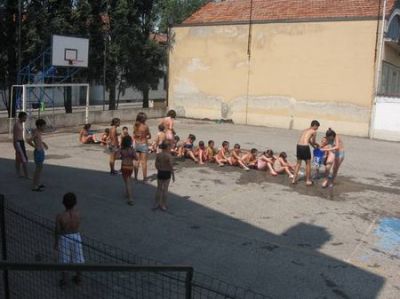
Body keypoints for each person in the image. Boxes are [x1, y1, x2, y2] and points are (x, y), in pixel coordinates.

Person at [55, 192, 85, 288]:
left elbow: (57, 231)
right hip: (76, 236)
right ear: (75, 203)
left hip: (65, 237)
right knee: (78, 258)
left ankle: (64, 281)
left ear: (63, 203)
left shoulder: (60, 216)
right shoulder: (78, 214)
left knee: (64, 259)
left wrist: (55, 243)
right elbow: (79, 226)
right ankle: (78, 278)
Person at [292, 120, 320, 185]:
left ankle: (293, 179)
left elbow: (308, 140)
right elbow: (313, 141)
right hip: (305, 147)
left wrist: (313, 147)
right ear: (314, 125)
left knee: (298, 163)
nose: (317, 129)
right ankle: (308, 180)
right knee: (308, 163)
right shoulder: (314, 131)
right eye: (317, 127)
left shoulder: (305, 130)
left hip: (298, 146)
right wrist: (318, 145)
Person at [27, 119, 48, 191]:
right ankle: (34, 186)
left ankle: (37, 183)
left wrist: (43, 143)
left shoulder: (38, 132)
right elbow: (28, 140)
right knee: (38, 170)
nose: (44, 128)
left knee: (40, 169)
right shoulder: (36, 132)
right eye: (43, 126)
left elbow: (38, 140)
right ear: (39, 126)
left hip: (41, 151)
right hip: (38, 152)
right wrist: (34, 146)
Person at [154, 142, 175, 211]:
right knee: (165, 189)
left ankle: (156, 203)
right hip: (167, 173)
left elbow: (156, 164)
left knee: (159, 189)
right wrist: (173, 175)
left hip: (160, 172)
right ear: (167, 147)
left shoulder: (159, 155)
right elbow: (171, 166)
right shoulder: (169, 156)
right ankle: (163, 205)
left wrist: (159, 168)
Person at [117, 136, 137, 205]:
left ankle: (130, 198)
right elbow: (136, 158)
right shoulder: (132, 149)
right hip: (130, 166)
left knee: (127, 182)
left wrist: (122, 157)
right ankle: (127, 193)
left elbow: (117, 156)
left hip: (124, 166)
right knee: (128, 181)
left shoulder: (122, 149)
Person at [133, 112, 151, 182]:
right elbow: (149, 136)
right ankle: (145, 179)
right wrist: (146, 136)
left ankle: (135, 178)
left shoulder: (135, 125)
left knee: (136, 162)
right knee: (144, 163)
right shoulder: (145, 126)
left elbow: (134, 135)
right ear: (143, 119)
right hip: (143, 144)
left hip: (137, 144)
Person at [13, 111, 29, 178]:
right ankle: (26, 175)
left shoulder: (21, 124)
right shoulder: (16, 124)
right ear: (21, 117)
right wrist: (16, 146)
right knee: (24, 159)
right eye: (24, 118)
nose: (25, 119)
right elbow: (15, 136)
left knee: (18, 159)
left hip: (21, 142)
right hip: (18, 142)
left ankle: (18, 173)